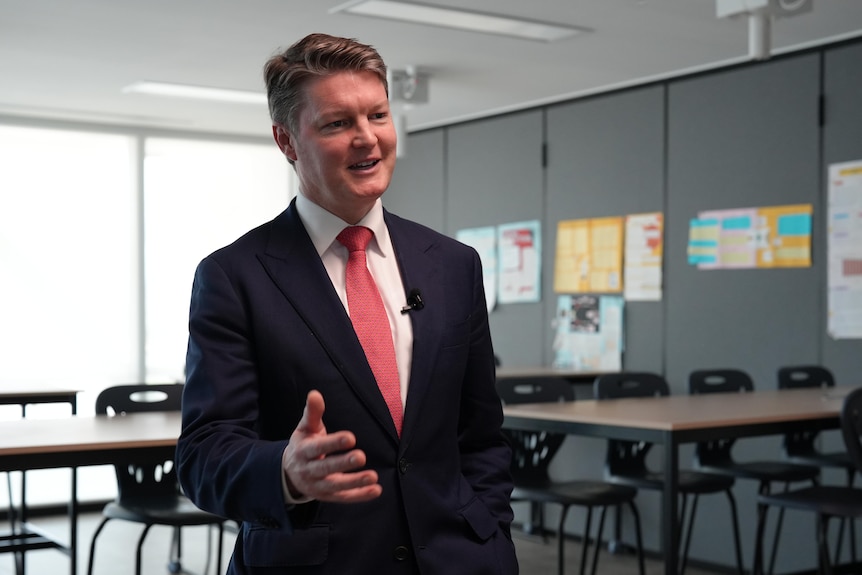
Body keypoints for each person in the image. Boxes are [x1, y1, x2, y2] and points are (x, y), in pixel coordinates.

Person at [176, 33, 518, 575]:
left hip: (460, 560)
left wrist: (492, 533)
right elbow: (202, 455)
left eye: (378, 115)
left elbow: (480, 436)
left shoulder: (453, 265)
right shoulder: (234, 276)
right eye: (337, 124)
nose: (368, 139)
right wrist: (285, 472)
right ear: (286, 141)